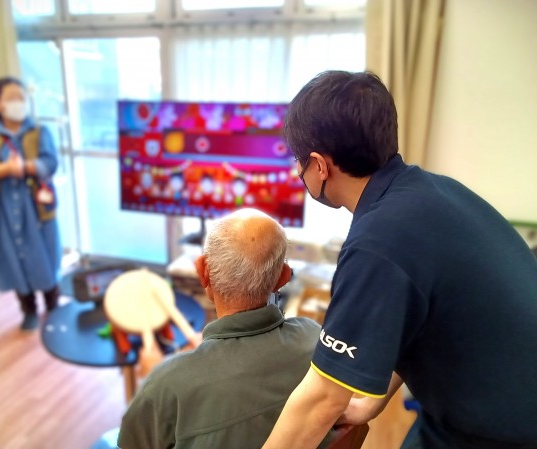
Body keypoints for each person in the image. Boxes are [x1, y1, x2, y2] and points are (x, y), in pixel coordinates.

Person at [262, 71, 537, 449]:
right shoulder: (435, 191)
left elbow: (321, 398)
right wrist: (369, 404)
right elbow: (415, 315)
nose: (298, 171)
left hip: (501, 431)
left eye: (299, 161)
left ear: (319, 165)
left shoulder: (378, 243)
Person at [117, 208, 336, 449]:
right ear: (283, 278)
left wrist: (152, 377)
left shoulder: (165, 386)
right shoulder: (315, 339)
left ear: (203, 271)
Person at [0, 77, 61, 331]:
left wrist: (27, 167)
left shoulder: (39, 131)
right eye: (11, 98)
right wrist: (4, 170)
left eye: (21, 97)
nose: (18, 102)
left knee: (45, 256)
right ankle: (28, 309)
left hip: (36, 207)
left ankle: (53, 306)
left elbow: (51, 163)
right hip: (3, 208)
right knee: (14, 258)